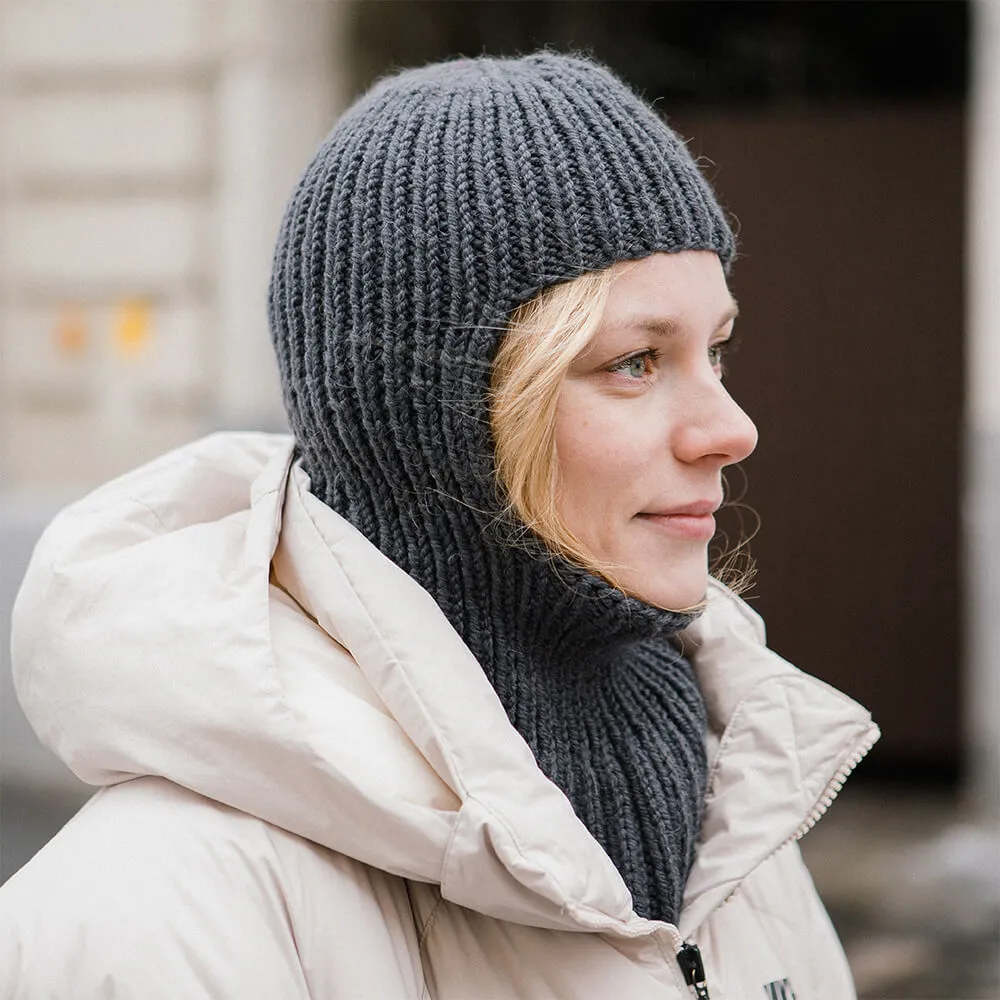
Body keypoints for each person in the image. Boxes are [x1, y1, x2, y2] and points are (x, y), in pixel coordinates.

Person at [0, 53, 878, 998]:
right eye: (634, 362)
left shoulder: (732, 804)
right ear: (434, 420)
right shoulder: (152, 914)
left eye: (717, 351)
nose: (732, 429)